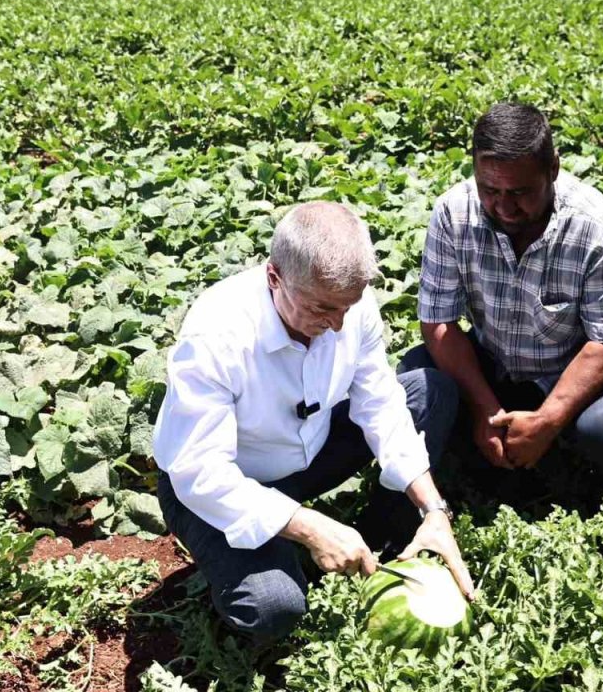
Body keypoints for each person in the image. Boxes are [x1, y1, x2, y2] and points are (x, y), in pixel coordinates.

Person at [152, 202, 475, 645]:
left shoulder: (346, 305)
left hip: (307, 451)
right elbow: (199, 473)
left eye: (347, 307)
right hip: (217, 485)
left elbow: (381, 404)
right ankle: (264, 556)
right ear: (274, 277)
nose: (338, 324)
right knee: (274, 608)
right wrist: (309, 527)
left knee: (426, 392)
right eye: (322, 308)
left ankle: (382, 545)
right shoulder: (216, 336)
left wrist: (433, 509)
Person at [399, 102, 603, 508]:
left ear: (553, 170)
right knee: (416, 385)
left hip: (572, 366)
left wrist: (547, 422)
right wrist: (484, 409)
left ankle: (601, 488)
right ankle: (468, 470)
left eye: (520, 192)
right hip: (493, 359)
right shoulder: (453, 214)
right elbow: (438, 322)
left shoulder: (595, 226)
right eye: (490, 190)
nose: (505, 207)